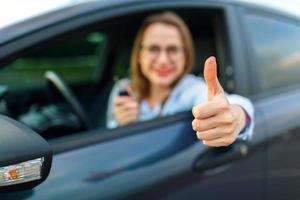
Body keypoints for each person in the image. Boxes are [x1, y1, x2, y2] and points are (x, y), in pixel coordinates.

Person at [106, 11, 254, 147]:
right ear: (139, 55)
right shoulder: (123, 89)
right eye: (153, 49)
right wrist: (120, 124)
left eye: (173, 49)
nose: (163, 60)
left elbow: (238, 103)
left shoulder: (190, 89)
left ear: (185, 56)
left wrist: (236, 116)